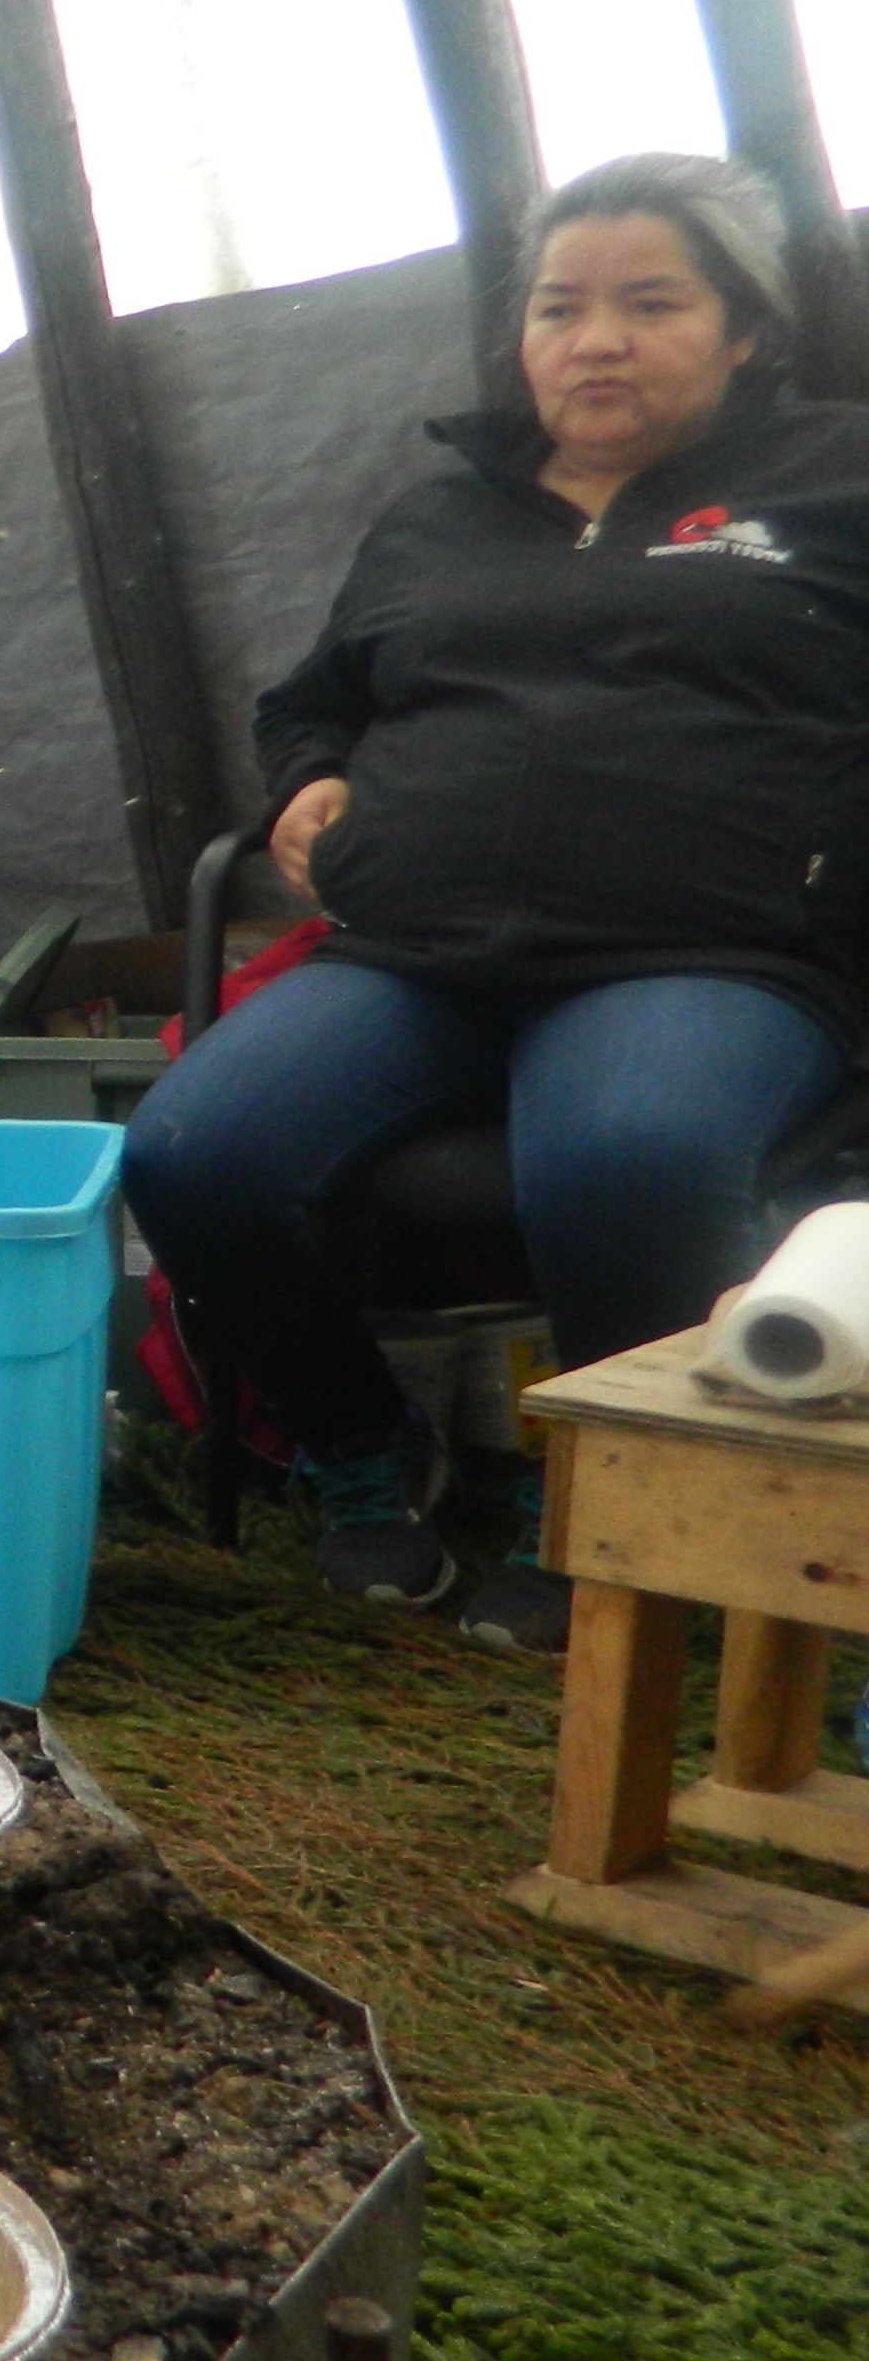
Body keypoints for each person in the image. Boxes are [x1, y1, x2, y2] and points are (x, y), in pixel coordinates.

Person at [124, 153, 869, 1651]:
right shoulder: (437, 516)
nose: (595, 338)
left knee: (629, 1158)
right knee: (193, 1150)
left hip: (703, 953)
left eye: (649, 302)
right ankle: (360, 1450)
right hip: (418, 952)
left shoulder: (838, 479)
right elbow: (311, 698)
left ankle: (592, 1513)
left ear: (741, 330)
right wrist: (311, 781)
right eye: (559, 307)